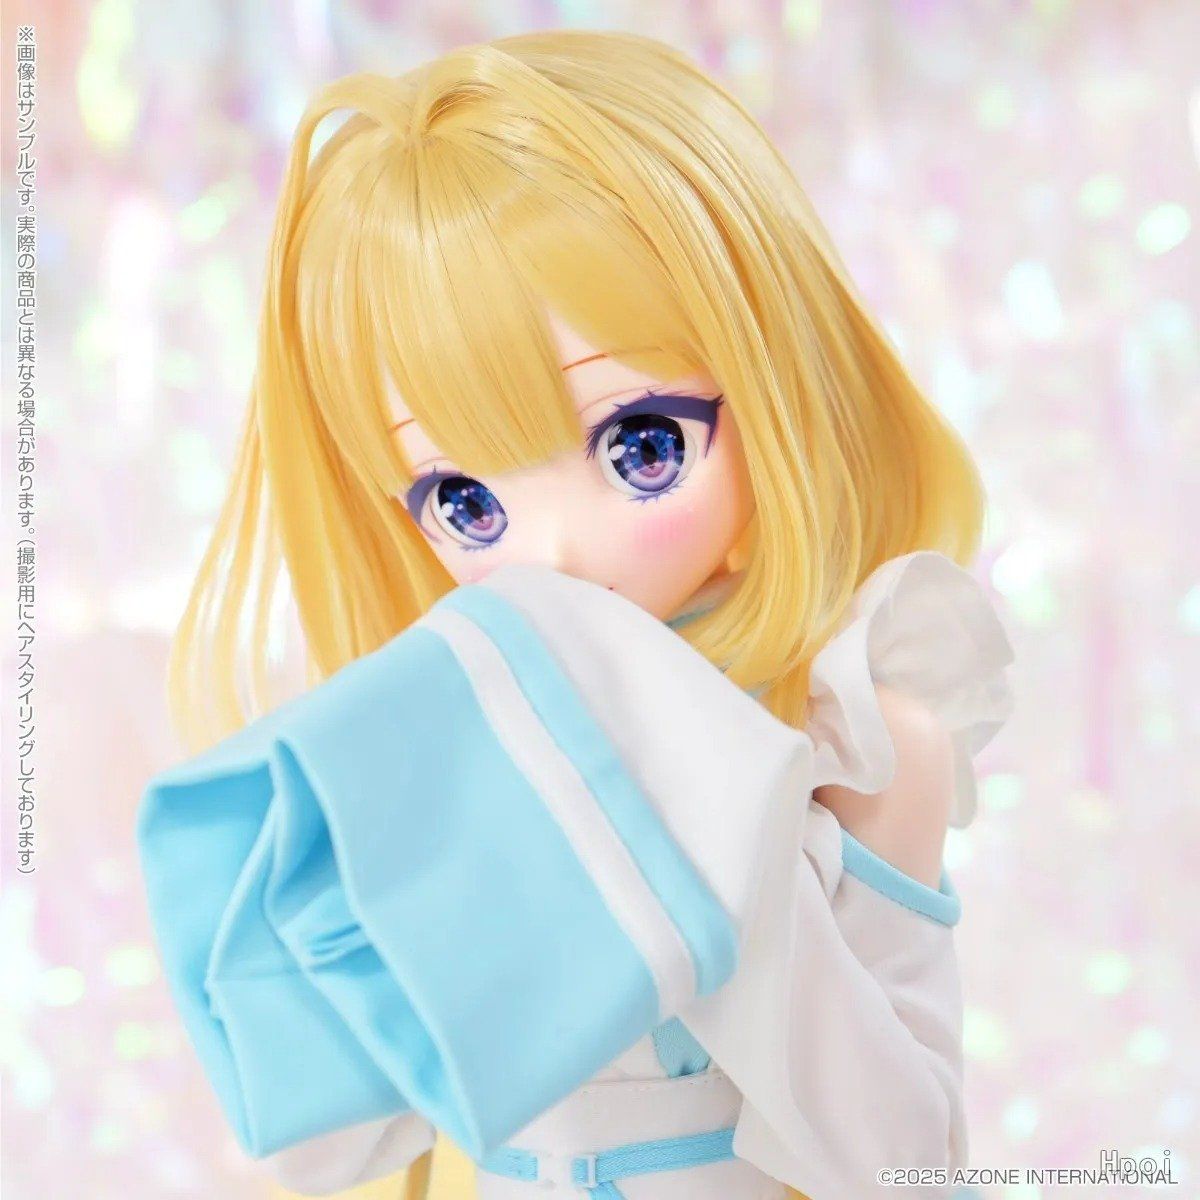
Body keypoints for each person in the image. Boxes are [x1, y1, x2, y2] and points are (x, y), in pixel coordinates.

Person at [137, 30, 1014, 1200]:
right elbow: (321, 1137)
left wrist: (721, 858)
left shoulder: (859, 734)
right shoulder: (450, 722)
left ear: (774, 390)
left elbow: (905, 1167)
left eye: (642, 446)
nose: (552, 557)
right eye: (465, 502)